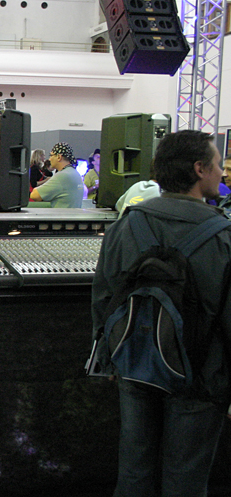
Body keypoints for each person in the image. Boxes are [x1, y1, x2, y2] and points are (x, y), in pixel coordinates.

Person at [92, 130, 231, 497]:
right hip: (201, 380)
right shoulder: (223, 236)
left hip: (135, 366)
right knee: (185, 480)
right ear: (199, 169)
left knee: (134, 473)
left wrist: (109, 356)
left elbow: (104, 296)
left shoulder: (126, 224)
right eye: (218, 164)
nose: (222, 173)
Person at [29, 142, 84, 208]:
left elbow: (35, 195)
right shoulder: (74, 173)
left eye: (51, 155)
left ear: (59, 157)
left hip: (62, 214)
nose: (49, 159)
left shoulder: (62, 176)